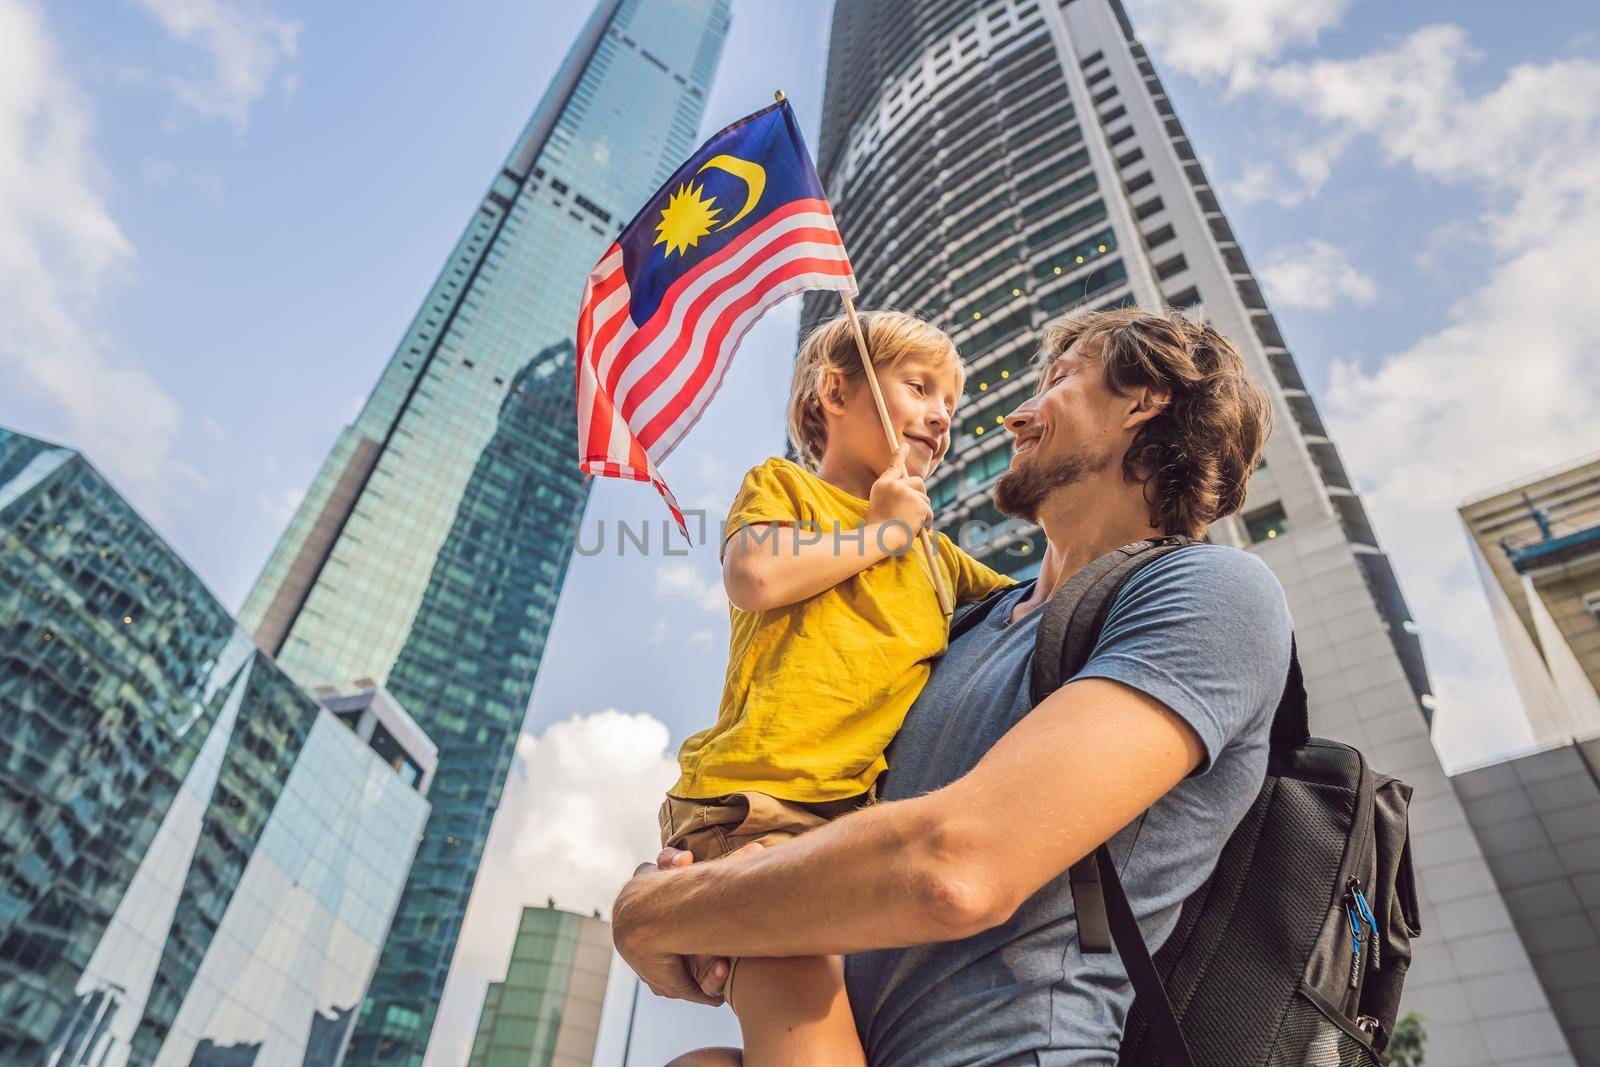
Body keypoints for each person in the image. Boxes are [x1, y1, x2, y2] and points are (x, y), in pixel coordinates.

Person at [614, 307, 1292, 1066]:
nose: (1012, 413)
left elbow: (953, 868)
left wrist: (665, 910)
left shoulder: (1209, 591)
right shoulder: (961, 622)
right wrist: (724, 887)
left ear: (1144, 401)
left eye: (1060, 380)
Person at [658, 309, 1014, 1065]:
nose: (942, 415)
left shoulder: (940, 558)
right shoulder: (784, 485)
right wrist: (880, 532)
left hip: (852, 835)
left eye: (952, 402)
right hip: (757, 808)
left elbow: (1036, 609)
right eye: (919, 387)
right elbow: (755, 575)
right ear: (833, 392)